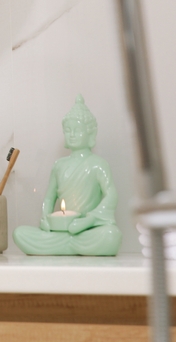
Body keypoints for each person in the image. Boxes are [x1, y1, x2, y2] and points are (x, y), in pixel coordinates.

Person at [12, 95, 123, 256]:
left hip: (88, 231)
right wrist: (45, 218)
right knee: (20, 233)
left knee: (111, 235)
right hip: (62, 231)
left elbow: (111, 195)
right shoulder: (59, 165)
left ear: (90, 134)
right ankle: (69, 245)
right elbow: (49, 198)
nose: (72, 135)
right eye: (68, 131)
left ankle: (67, 246)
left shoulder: (98, 164)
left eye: (77, 131)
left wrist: (89, 220)